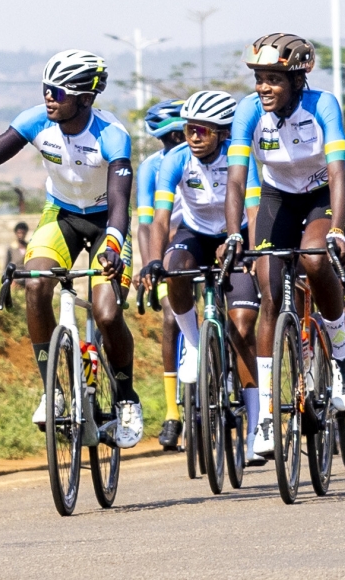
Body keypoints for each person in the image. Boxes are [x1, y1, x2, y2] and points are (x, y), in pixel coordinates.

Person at [0, 50, 144, 448]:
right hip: (61, 215)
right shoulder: (37, 119)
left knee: (106, 313)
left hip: (107, 221)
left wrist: (114, 246)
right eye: (45, 89)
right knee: (36, 286)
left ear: (85, 98)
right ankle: (52, 390)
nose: (49, 98)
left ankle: (126, 397)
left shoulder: (111, 135)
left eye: (58, 92)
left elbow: (122, 202)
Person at [223, 33, 345, 457]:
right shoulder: (247, 111)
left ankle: (342, 352)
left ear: (298, 80)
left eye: (274, 79)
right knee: (268, 291)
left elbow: (338, 172)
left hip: (320, 194)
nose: (264, 87)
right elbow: (238, 179)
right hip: (277, 196)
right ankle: (264, 416)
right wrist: (233, 234)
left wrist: (337, 228)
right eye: (260, 78)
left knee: (315, 261)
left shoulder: (324, 106)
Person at [140, 90, 266, 464]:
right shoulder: (176, 160)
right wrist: (153, 260)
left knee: (242, 327)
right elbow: (161, 218)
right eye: (190, 129)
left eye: (203, 131)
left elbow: (255, 208)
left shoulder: (241, 159)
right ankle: (195, 344)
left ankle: (257, 426)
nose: (194, 136)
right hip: (195, 233)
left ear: (223, 133)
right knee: (174, 270)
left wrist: (253, 255)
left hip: (238, 233)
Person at [134, 98, 188, 450]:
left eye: (179, 138)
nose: (174, 148)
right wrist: (147, 264)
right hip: (169, 248)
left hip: (205, 241)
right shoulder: (151, 168)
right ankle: (172, 412)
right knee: (170, 318)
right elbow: (144, 224)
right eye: (167, 142)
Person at [5, 221, 30, 289]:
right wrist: (9, 280)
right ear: (16, 233)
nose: (20, 235)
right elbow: (6, 265)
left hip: (26, 279)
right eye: (19, 233)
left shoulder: (29, 247)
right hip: (15, 280)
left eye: (23, 233)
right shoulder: (11, 248)